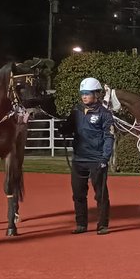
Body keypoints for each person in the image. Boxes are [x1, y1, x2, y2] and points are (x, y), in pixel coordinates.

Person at [61, 77, 116, 234]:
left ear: (96, 94)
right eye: (82, 93)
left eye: (87, 93)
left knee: (100, 195)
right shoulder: (76, 112)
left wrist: (105, 158)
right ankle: (81, 224)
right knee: (78, 194)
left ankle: (103, 225)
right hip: (79, 159)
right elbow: (68, 128)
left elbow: (109, 136)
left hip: (97, 159)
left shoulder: (105, 114)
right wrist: (63, 127)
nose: (84, 96)